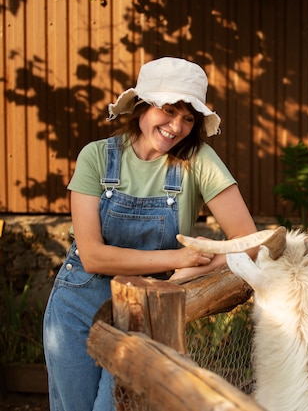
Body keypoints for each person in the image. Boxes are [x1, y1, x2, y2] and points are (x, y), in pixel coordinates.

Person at [43, 57, 258, 411]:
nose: (177, 127)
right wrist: (178, 257)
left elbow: (247, 242)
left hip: (148, 309)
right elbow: (94, 256)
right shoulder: (96, 157)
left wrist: (197, 269)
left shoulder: (198, 160)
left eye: (189, 118)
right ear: (141, 105)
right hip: (79, 301)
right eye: (169, 110)